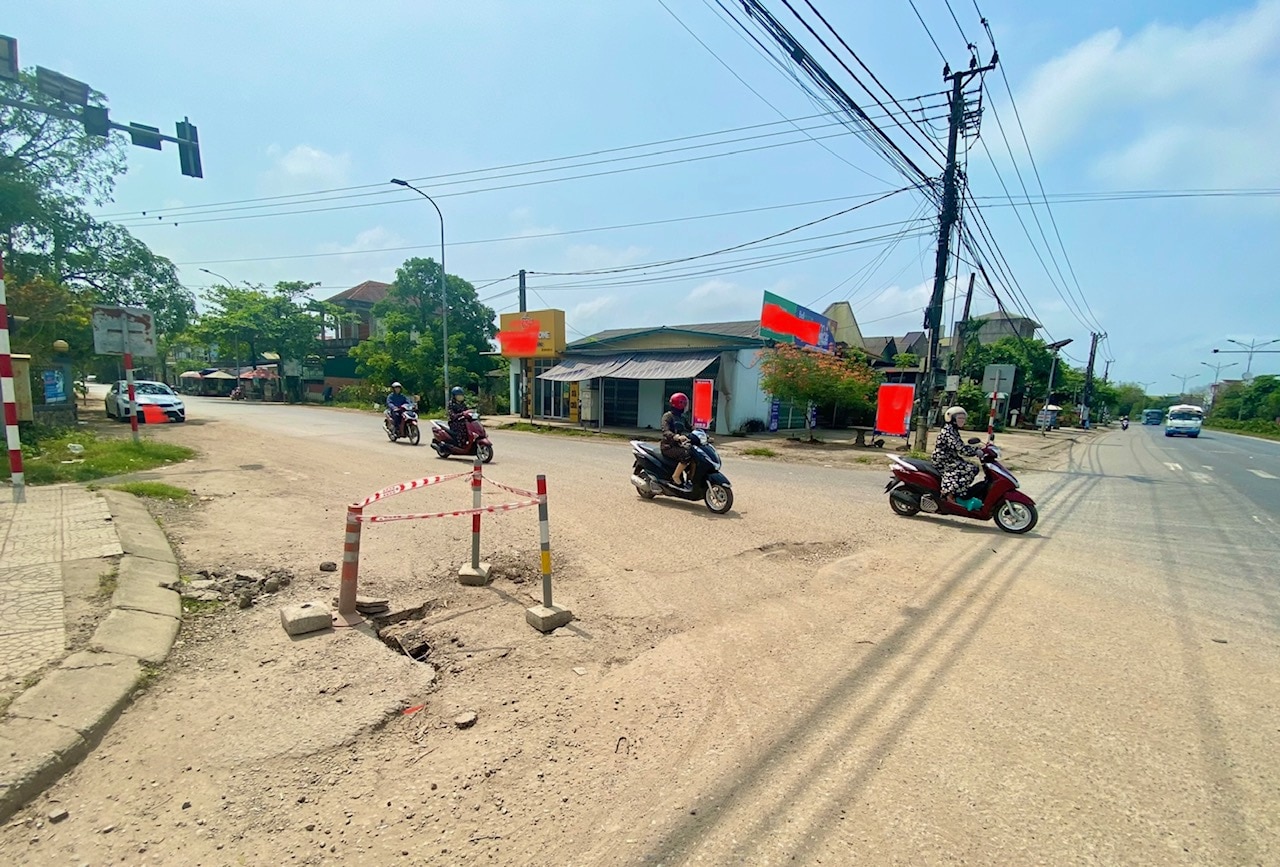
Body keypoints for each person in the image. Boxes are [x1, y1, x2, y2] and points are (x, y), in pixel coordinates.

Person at [933, 406, 984, 511]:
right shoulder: (948, 431)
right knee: (969, 469)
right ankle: (949, 494)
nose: (962, 421)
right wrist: (975, 451)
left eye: (963, 418)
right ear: (951, 418)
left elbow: (961, 446)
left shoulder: (953, 430)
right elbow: (960, 448)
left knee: (973, 467)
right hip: (943, 460)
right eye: (959, 418)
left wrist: (979, 448)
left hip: (951, 458)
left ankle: (958, 494)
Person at [660, 392, 693, 490]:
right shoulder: (668, 416)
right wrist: (676, 436)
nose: (685, 406)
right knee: (686, 455)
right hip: (668, 446)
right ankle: (675, 477)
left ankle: (690, 479)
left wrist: (700, 432)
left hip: (678, 445)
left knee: (695, 454)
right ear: (679, 404)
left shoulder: (682, 417)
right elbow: (665, 430)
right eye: (684, 403)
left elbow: (690, 427)